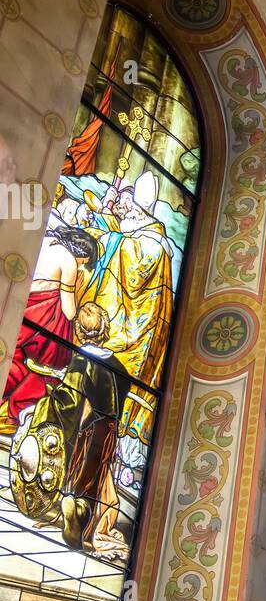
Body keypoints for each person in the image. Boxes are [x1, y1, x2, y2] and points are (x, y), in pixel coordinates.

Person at [18, 302, 131, 558]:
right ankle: (83, 512)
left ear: (78, 330)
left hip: (87, 428)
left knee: (80, 471)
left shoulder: (81, 361)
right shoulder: (120, 368)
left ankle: (77, 513)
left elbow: (68, 401)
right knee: (96, 476)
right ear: (105, 330)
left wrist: (45, 400)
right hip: (109, 430)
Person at [77, 171, 174, 443]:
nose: (128, 213)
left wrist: (107, 237)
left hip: (136, 327)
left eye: (133, 210)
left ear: (141, 212)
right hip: (139, 323)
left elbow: (132, 271)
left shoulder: (152, 244)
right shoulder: (147, 237)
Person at [0, 224, 97, 434]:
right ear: (82, 255)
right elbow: (68, 309)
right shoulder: (69, 261)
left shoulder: (46, 242)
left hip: (20, 305)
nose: (81, 267)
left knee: (13, 358)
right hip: (40, 317)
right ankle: (11, 414)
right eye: (84, 263)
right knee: (52, 359)